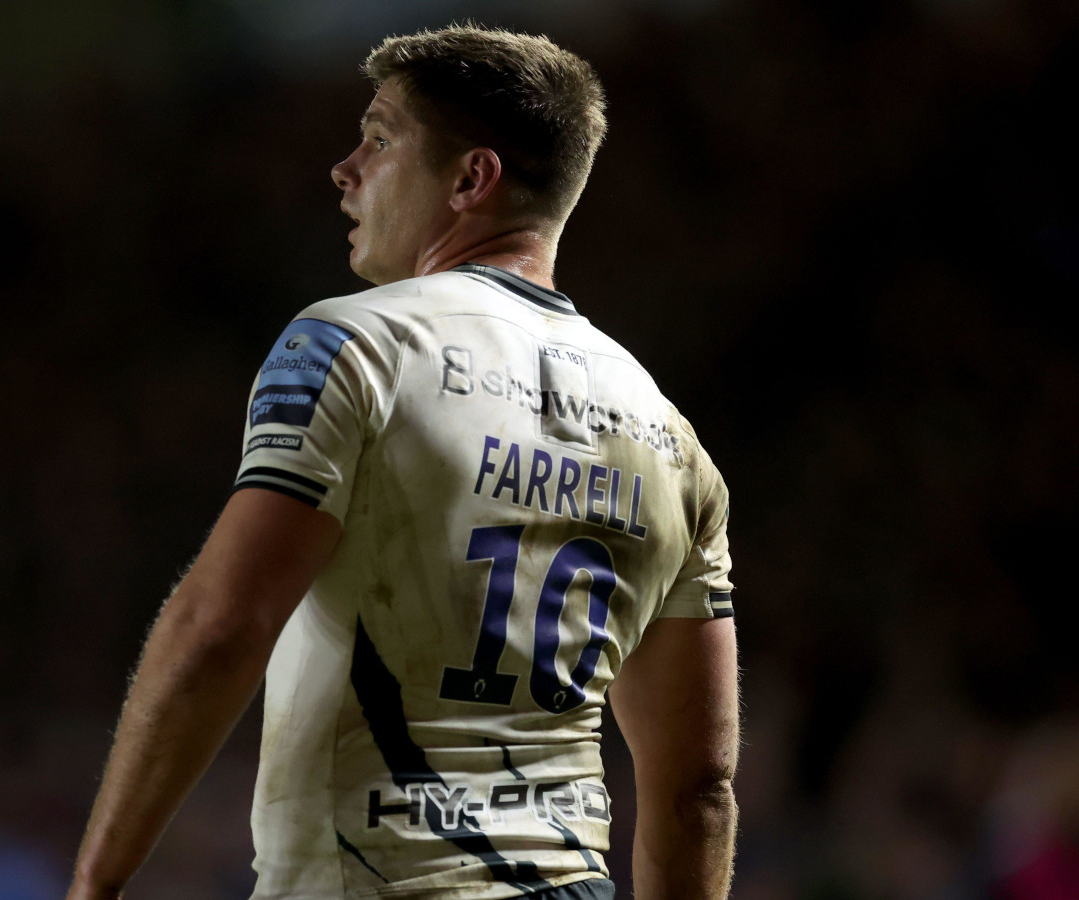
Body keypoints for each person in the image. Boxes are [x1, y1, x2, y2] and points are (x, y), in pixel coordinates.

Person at [67, 24, 738, 900]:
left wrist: (95, 882)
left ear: (471, 179)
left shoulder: (355, 345)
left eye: (380, 140)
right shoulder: (674, 441)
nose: (344, 169)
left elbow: (221, 625)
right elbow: (699, 790)